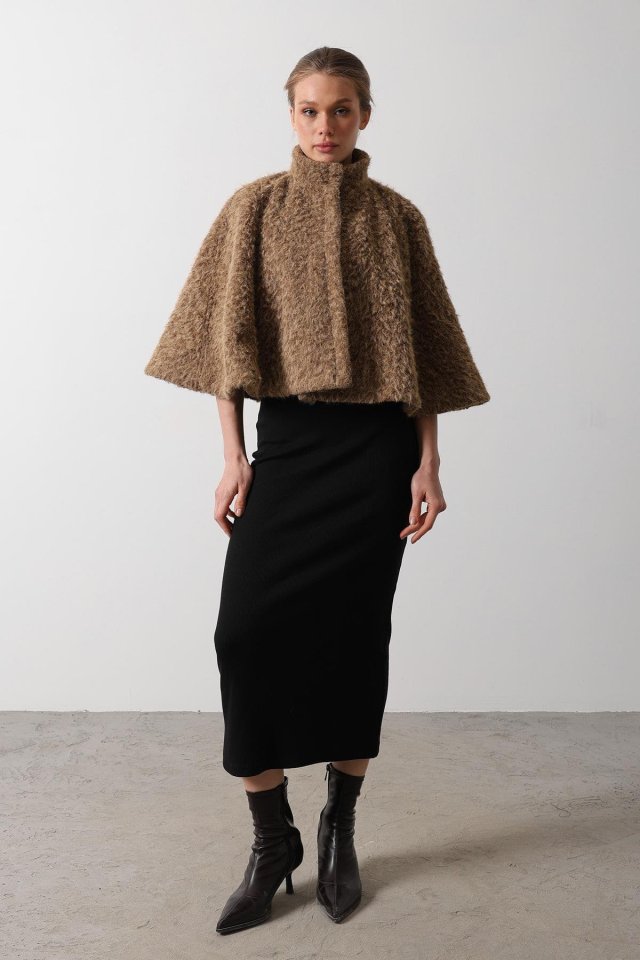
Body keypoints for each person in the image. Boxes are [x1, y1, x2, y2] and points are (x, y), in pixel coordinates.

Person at [144, 47, 490, 935]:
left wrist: (429, 463)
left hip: (377, 456)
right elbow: (225, 344)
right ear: (290, 114)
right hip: (290, 448)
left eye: (341, 109)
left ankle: (340, 828)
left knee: (354, 642)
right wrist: (233, 458)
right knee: (244, 635)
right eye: (309, 110)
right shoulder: (254, 208)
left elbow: (425, 357)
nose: (325, 126)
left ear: (365, 114)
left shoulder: (397, 219)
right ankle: (273, 841)